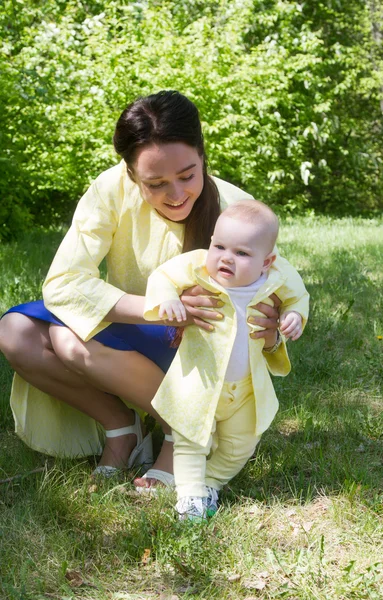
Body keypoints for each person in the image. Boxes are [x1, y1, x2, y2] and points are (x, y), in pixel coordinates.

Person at [0, 90, 297, 489]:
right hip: (140, 319)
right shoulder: (110, 189)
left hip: (204, 351)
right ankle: (122, 427)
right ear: (131, 175)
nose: (175, 195)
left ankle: (186, 434)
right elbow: (64, 283)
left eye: (188, 175)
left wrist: (274, 326)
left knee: (71, 343)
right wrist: (160, 308)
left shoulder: (237, 211)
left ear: (203, 155)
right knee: (16, 332)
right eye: (155, 183)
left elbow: (273, 303)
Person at [143, 200, 309, 518]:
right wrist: (167, 299)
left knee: (242, 444)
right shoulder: (197, 266)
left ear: (267, 261)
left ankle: (210, 484)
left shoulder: (278, 276)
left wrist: (294, 316)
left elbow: (299, 296)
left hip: (246, 388)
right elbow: (162, 277)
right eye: (219, 246)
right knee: (191, 441)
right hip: (197, 382)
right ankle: (190, 498)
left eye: (242, 253)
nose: (226, 258)